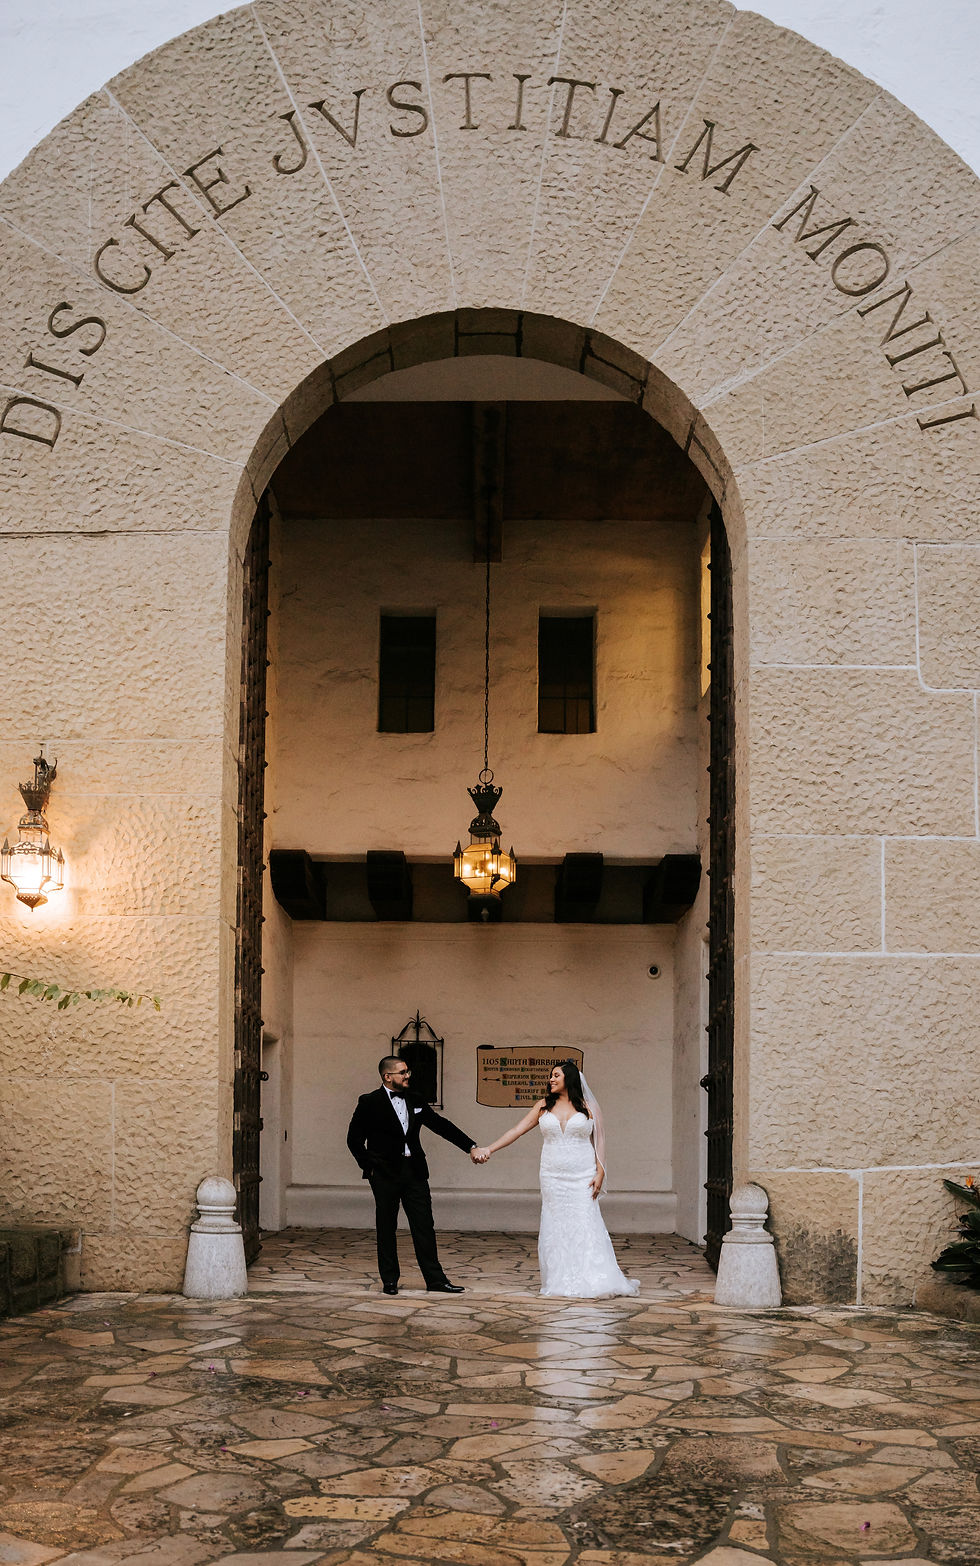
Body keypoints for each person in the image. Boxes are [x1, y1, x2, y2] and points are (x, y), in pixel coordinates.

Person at [471, 1059, 639, 1298]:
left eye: (556, 1075)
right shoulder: (543, 1106)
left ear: (568, 1078)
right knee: (556, 1224)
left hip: (582, 1173)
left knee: (585, 1221)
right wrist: (489, 1148)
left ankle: (595, 1276)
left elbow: (599, 1140)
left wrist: (600, 1171)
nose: (551, 1079)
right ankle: (560, 1279)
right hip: (552, 1175)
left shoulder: (588, 1106)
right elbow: (516, 1131)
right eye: (550, 1075)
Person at [347, 1055, 484, 1295]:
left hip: (415, 1172)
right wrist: (369, 1167)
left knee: (424, 1226)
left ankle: (435, 1280)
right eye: (402, 1072)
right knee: (386, 1226)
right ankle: (389, 1280)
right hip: (384, 1174)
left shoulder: (416, 1099)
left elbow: (442, 1126)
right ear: (387, 1076)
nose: (408, 1075)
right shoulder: (369, 1101)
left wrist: (470, 1146)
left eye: (408, 1071)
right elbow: (354, 1139)